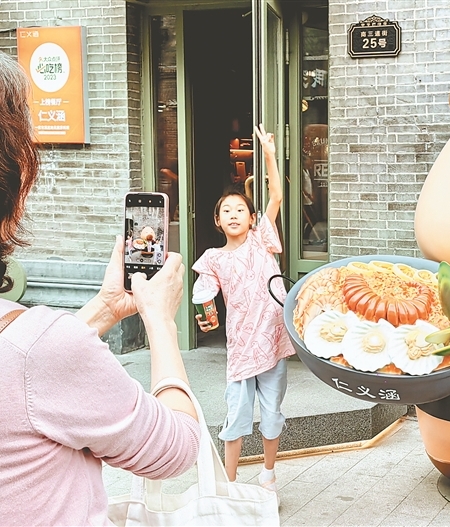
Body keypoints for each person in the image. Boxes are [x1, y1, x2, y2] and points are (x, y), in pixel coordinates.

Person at [0, 50, 200, 525]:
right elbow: (176, 448)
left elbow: (28, 368)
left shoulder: (37, 350)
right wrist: (160, 321)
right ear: (15, 180)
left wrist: (106, 308)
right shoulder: (40, 352)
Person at [193, 123, 295, 499]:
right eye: (226, 210)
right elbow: (203, 294)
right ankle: (229, 485)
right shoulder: (212, 258)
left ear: (252, 219)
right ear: (217, 221)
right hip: (240, 349)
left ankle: (268, 475)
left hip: (273, 343)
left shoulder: (261, 240)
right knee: (236, 416)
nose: (234, 214)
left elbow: (276, 195)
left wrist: (269, 154)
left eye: (241, 209)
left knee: (272, 415)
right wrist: (205, 316)